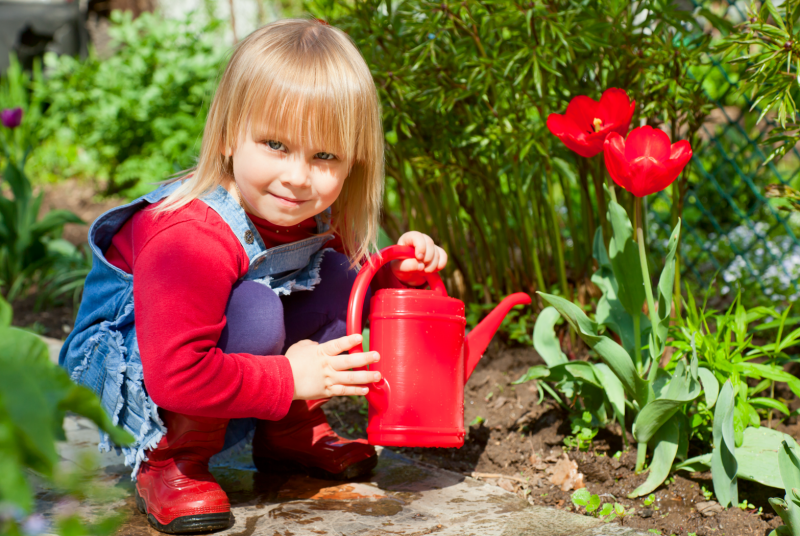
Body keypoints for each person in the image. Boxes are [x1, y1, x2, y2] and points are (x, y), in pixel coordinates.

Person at [59, 18, 448, 534]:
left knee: (341, 274)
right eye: (275, 145)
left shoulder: (305, 215)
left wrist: (403, 271)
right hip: (145, 378)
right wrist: (290, 377)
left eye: (324, 155)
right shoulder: (189, 238)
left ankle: (289, 430)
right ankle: (173, 461)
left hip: (213, 374)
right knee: (257, 308)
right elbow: (176, 375)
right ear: (227, 136)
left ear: (353, 161)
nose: (297, 175)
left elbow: (357, 294)